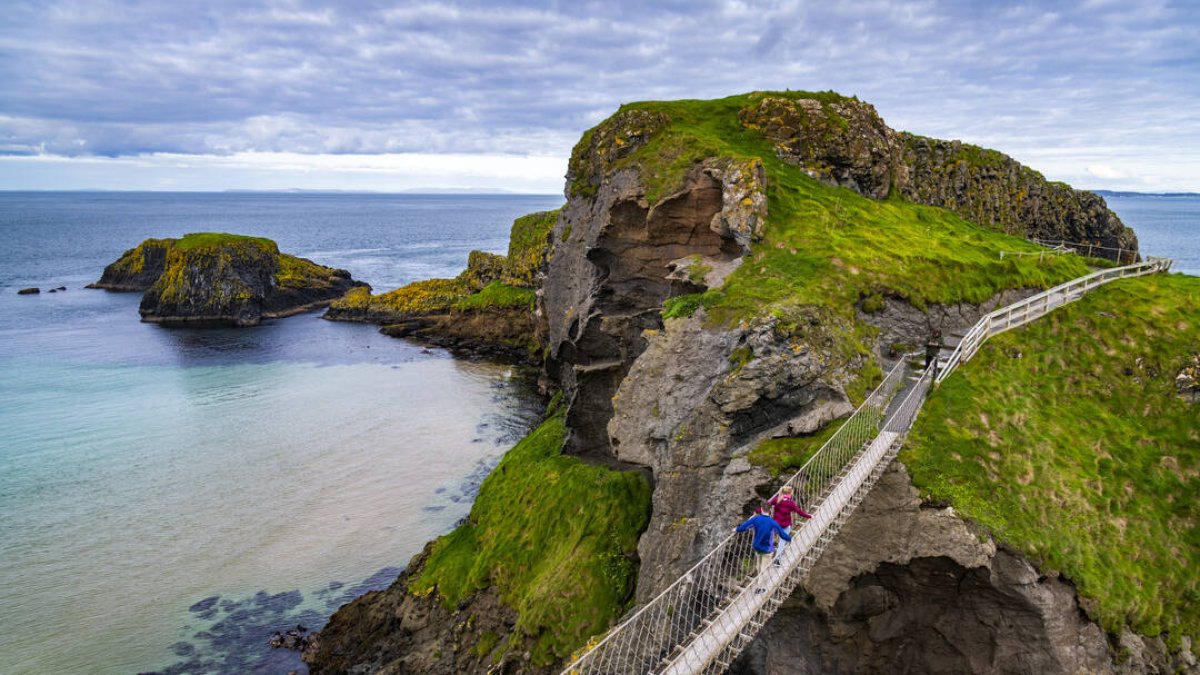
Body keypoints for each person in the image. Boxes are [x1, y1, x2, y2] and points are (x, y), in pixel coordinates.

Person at [735, 504, 792, 593]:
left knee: (759, 564)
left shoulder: (755, 519)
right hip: (767, 549)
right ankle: (759, 588)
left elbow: (744, 527)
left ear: (761, 509)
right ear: (770, 511)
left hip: (757, 547)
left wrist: (736, 529)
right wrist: (790, 539)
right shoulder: (773, 523)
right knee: (764, 569)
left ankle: (758, 577)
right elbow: (782, 534)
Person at [768, 486, 812, 564]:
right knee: (782, 542)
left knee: (777, 539)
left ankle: (774, 550)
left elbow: (768, 504)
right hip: (785, 525)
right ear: (790, 494)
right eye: (792, 493)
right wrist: (809, 516)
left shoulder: (776, 499)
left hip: (776, 525)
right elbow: (800, 512)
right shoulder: (790, 503)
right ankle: (777, 559)